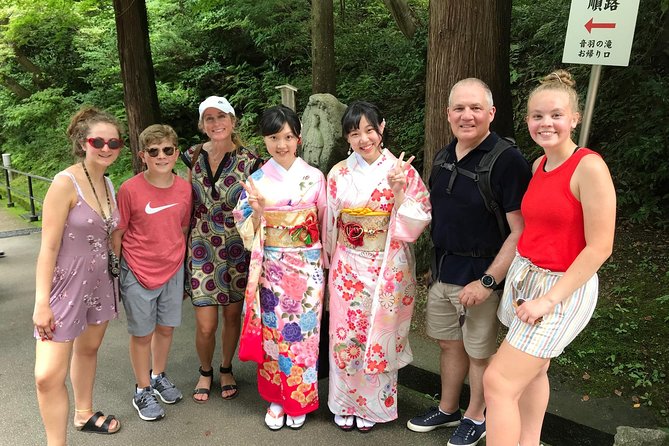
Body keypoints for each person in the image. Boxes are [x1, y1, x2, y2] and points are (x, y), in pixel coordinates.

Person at [483, 70, 616, 446]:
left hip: (561, 288)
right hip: (527, 278)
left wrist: (548, 299)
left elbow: (600, 247)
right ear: (527, 121)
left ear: (574, 118)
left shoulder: (588, 167)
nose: (546, 124)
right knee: (534, 372)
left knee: (498, 380)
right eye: (538, 116)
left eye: (556, 115)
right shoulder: (540, 165)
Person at [407, 78, 531, 446]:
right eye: (459, 108)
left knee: (480, 354)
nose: (467, 115)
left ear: (491, 113)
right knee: (448, 345)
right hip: (444, 272)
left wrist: (489, 281)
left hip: (481, 277)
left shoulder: (507, 161)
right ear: (448, 115)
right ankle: (448, 409)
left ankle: (477, 417)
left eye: (476, 108)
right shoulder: (445, 157)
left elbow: (520, 232)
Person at [324, 101, 431, 432]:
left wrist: (399, 193)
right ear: (347, 138)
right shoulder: (339, 173)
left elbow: (418, 220)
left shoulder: (402, 171)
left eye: (370, 130)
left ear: (382, 128)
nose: (364, 139)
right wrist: (329, 262)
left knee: (378, 334)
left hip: (386, 265)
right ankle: (344, 402)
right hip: (347, 266)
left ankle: (373, 406)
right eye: (355, 133)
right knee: (346, 334)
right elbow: (330, 224)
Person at [33, 106, 124, 444]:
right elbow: (48, 248)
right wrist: (42, 303)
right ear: (82, 142)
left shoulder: (109, 182)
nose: (106, 147)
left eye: (114, 142)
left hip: (100, 283)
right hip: (64, 288)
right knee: (46, 376)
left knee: (89, 349)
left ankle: (84, 412)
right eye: (97, 140)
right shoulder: (64, 183)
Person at [233, 105, 327, 430]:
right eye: (274, 137)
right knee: (274, 331)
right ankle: (276, 396)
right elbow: (243, 221)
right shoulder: (256, 180)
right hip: (271, 265)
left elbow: (326, 224)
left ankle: (299, 397)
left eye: (287, 136)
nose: (281, 144)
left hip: (308, 266)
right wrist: (258, 212)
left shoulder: (315, 177)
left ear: (298, 138)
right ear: (265, 140)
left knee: (304, 335)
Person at [182, 96, 263, 402]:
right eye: (209, 119)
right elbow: (184, 201)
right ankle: (205, 371)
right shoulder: (191, 155)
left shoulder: (251, 160)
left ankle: (226, 367)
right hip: (201, 247)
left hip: (236, 248)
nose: (216, 124)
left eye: (221, 117)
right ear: (203, 124)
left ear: (232, 120)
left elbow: (259, 205)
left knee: (231, 317)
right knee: (206, 324)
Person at [111, 124, 192, 421]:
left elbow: (182, 228)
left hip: (171, 268)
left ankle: (158, 375)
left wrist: (177, 261)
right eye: (154, 151)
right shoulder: (130, 189)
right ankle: (142, 388)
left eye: (168, 150)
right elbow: (118, 233)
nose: (161, 156)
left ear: (176, 153)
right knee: (142, 333)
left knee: (166, 328)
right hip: (137, 269)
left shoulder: (184, 188)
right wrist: (117, 272)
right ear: (142, 155)